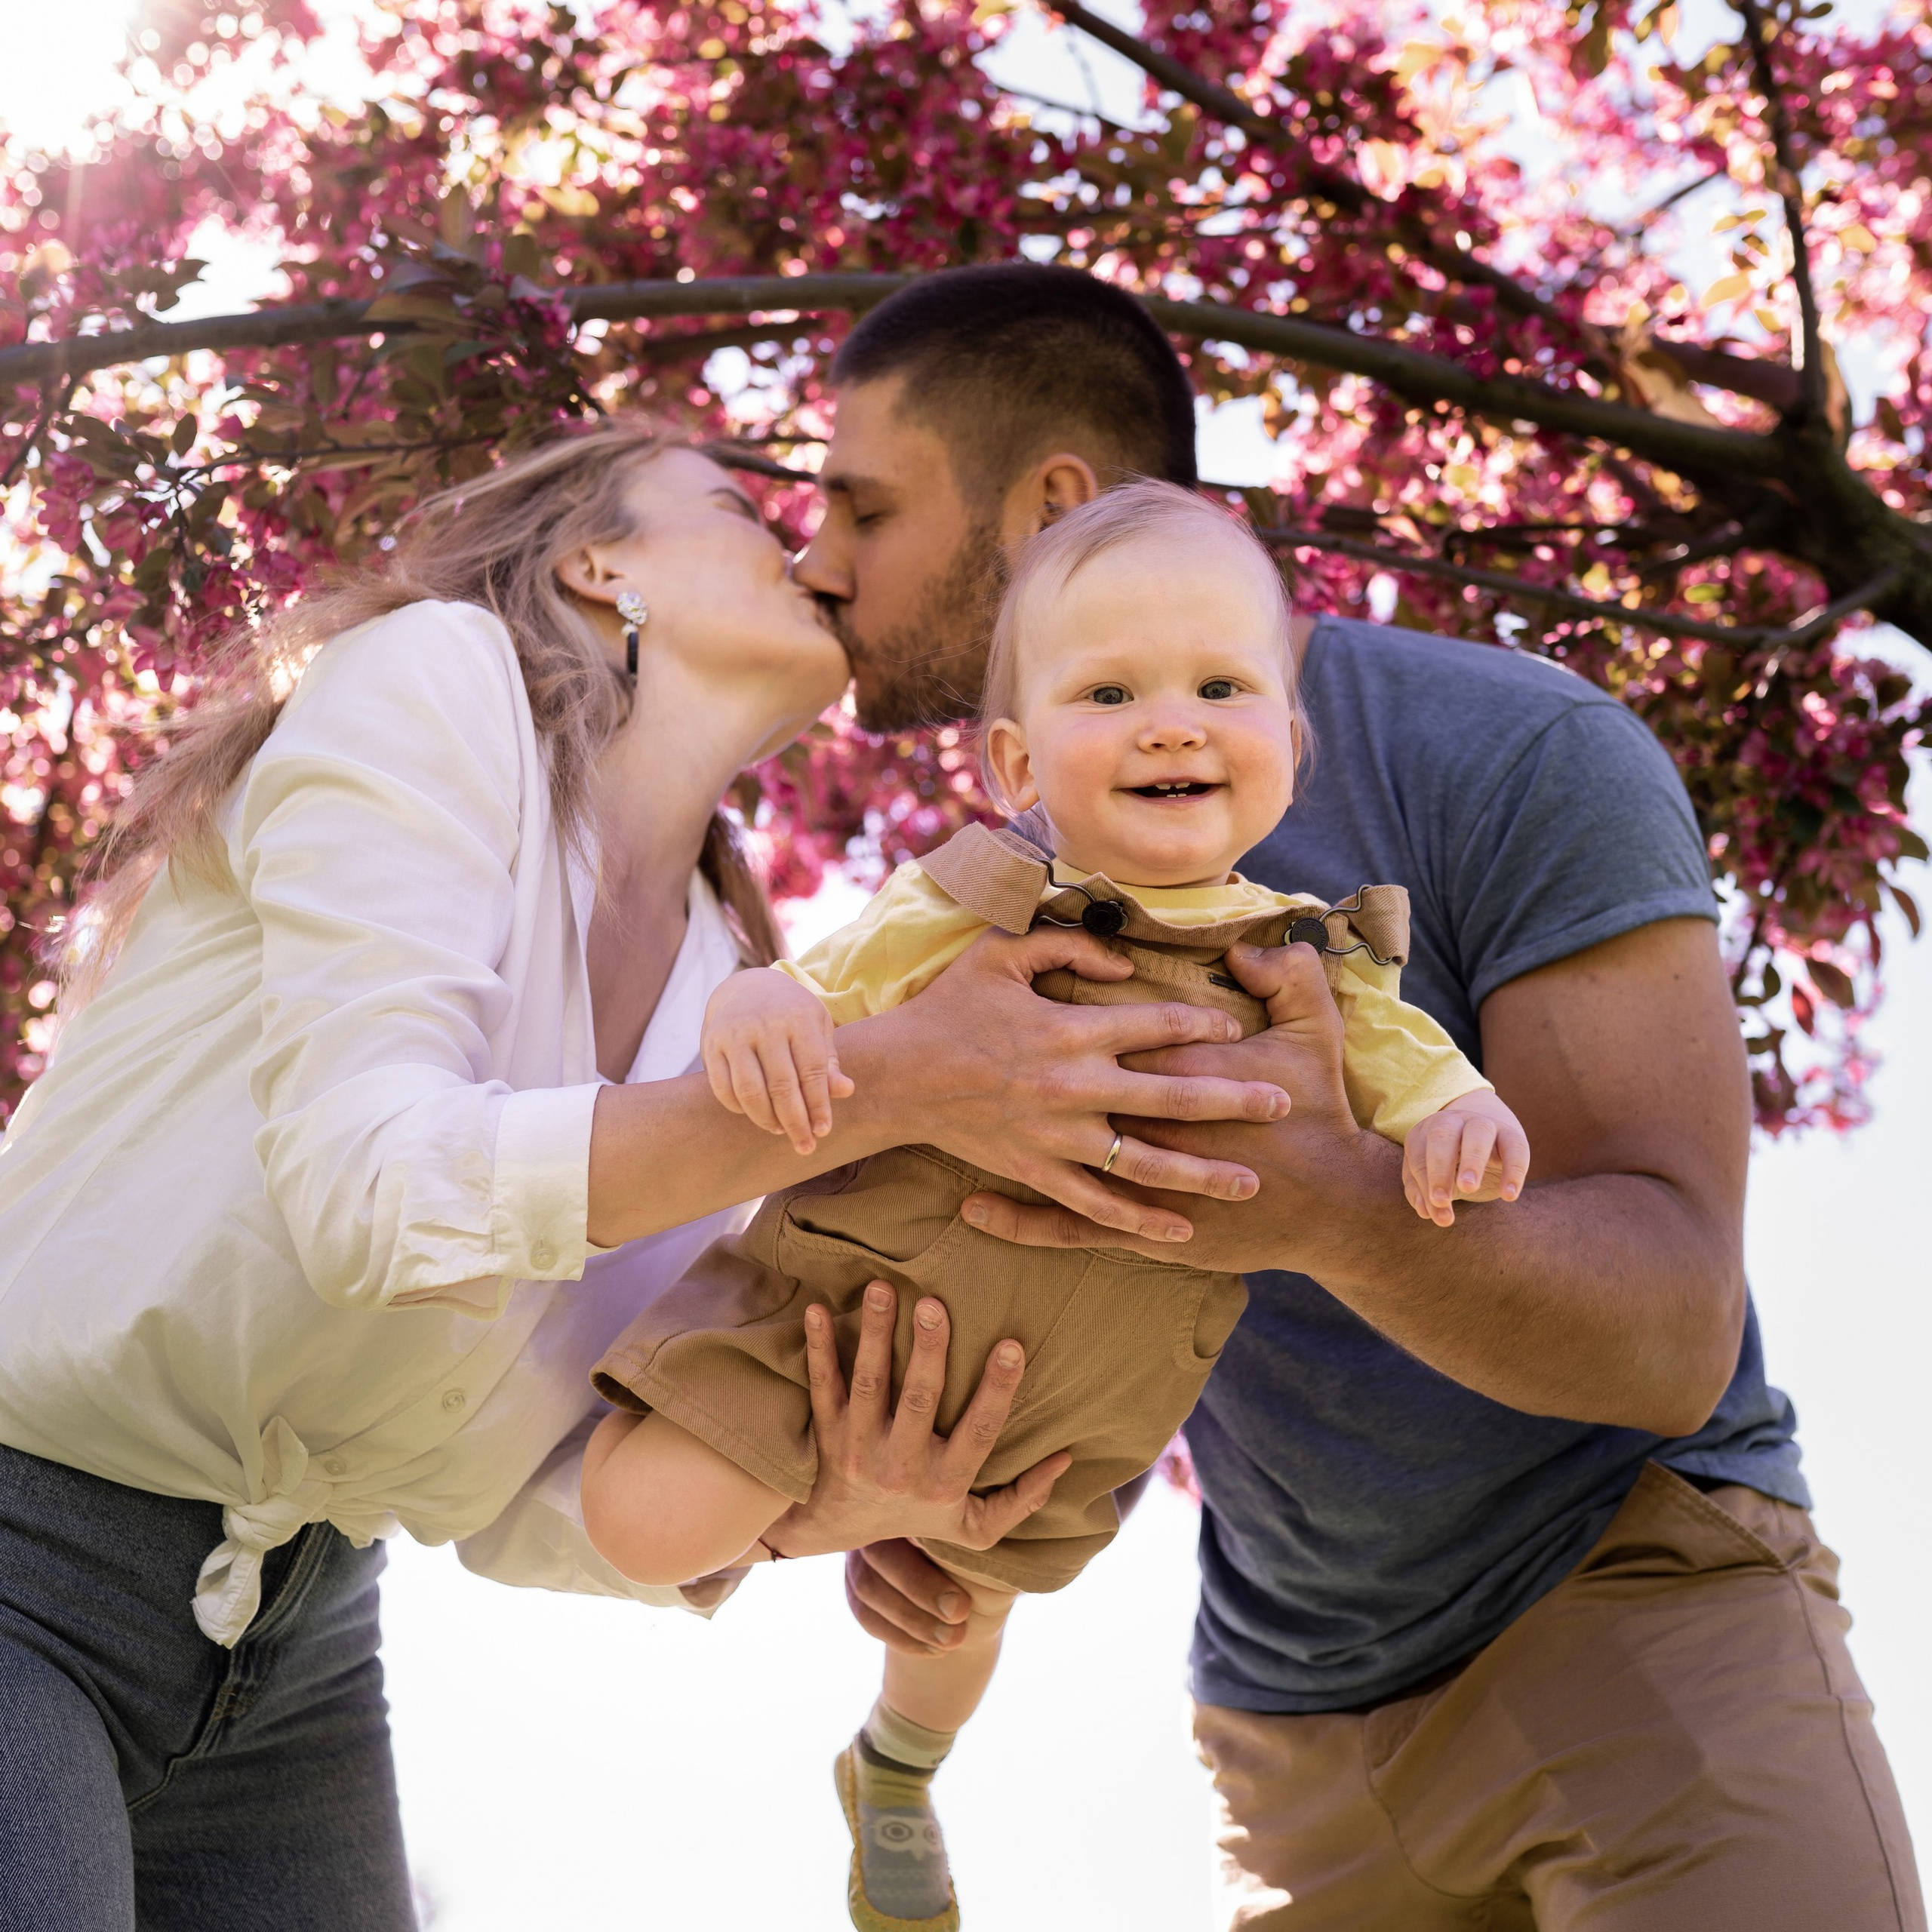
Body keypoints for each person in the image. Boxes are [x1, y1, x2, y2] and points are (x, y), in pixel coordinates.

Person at [0, 421, 1293, 1932]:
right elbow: (374, 1186)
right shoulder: (440, 673)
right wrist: (893, 1085)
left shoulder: (736, 982)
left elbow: (518, 1492)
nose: (816, 553)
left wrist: (812, 1493)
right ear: (595, 563)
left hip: (300, 1639)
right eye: (749, 508)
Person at [798, 264, 1926, 1929]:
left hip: (1626, 1611)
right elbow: (1072, 1300)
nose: (815, 562)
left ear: (1050, 510)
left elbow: (1669, 1327)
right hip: (1281, 1751)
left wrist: (1331, 1196)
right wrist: (932, 1489)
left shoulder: (1509, 752)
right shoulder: (995, 902)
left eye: (861, 507)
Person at [580, 481, 1531, 1931]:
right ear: (1019, 758)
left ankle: (899, 1766)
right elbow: (822, 988)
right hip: (843, 1318)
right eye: (1111, 692)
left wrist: (1464, 1118)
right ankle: (828, 1511)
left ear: (1290, 743)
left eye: (1223, 686)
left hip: (1059, 1398)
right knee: (644, 1525)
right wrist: (762, 1008)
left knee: (959, 1618)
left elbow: (1417, 1075)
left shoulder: (1317, 966)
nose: (1172, 721)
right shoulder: (980, 896)